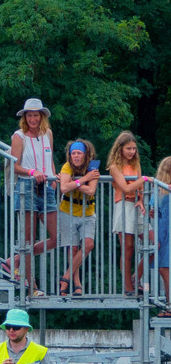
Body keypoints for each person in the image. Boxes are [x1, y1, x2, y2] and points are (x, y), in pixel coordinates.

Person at [10, 98, 58, 295]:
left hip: (46, 187)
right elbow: (14, 166)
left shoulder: (48, 134)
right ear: (24, 117)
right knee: (28, 240)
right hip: (27, 187)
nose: (32, 119)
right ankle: (32, 287)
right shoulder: (19, 136)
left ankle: (15, 260)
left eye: (35, 115)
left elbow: (49, 158)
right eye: (29, 115)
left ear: (41, 116)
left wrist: (53, 177)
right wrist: (32, 172)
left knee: (56, 237)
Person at [106, 131, 147, 296]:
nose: (132, 152)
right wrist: (143, 179)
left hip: (136, 205)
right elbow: (126, 188)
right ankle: (128, 287)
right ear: (120, 148)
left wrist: (141, 199)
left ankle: (136, 276)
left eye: (134, 149)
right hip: (123, 205)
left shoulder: (136, 164)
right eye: (128, 148)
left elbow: (140, 189)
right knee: (128, 248)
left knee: (155, 243)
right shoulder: (115, 167)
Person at [56, 140, 99, 295]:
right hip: (68, 210)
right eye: (73, 153)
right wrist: (83, 179)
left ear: (85, 154)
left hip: (87, 212)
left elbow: (91, 191)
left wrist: (73, 183)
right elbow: (64, 188)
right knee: (72, 248)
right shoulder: (67, 166)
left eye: (79, 153)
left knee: (88, 244)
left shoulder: (93, 167)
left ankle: (66, 277)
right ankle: (76, 284)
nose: (75, 156)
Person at [155, 156, 171, 303]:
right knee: (164, 268)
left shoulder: (163, 193)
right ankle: (169, 303)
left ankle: (170, 304)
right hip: (164, 234)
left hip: (166, 235)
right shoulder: (161, 191)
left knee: (165, 268)